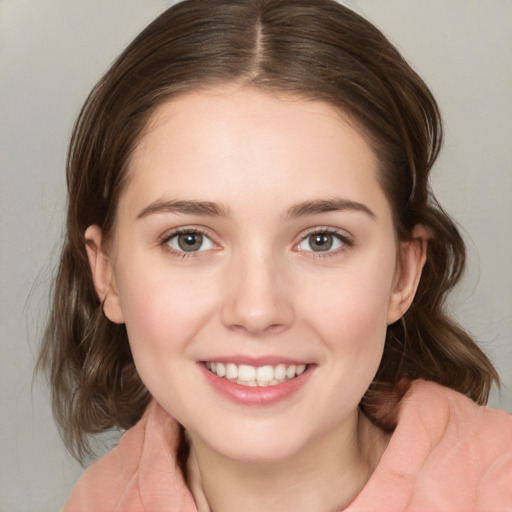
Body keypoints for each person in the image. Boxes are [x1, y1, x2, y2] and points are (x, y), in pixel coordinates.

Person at [37, 0, 512, 510]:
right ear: (106, 272)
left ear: (402, 273)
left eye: (321, 240)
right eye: (189, 239)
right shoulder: (95, 501)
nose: (257, 310)